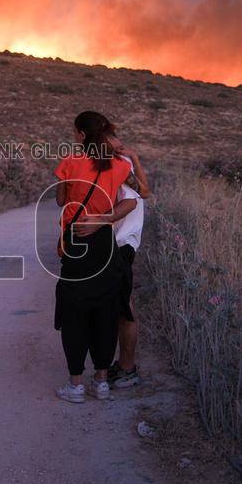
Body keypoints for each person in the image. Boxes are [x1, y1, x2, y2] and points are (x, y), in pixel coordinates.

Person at [52, 111, 136, 403]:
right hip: (104, 239)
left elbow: (61, 200)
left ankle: (75, 385)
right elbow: (136, 196)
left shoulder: (70, 162)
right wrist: (105, 217)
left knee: (74, 312)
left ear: (81, 134)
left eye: (74, 131)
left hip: (77, 238)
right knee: (105, 310)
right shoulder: (119, 165)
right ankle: (101, 381)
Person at [105, 131, 150, 388]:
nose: (120, 148)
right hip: (122, 239)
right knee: (119, 302)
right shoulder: (123, 163)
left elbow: (142, 194)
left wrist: (133, 157)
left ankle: (127, 368)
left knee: (124, 305)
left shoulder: (120, 165)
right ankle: (121, 365)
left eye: (120, 145)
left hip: (122, 241)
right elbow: (145, 192)